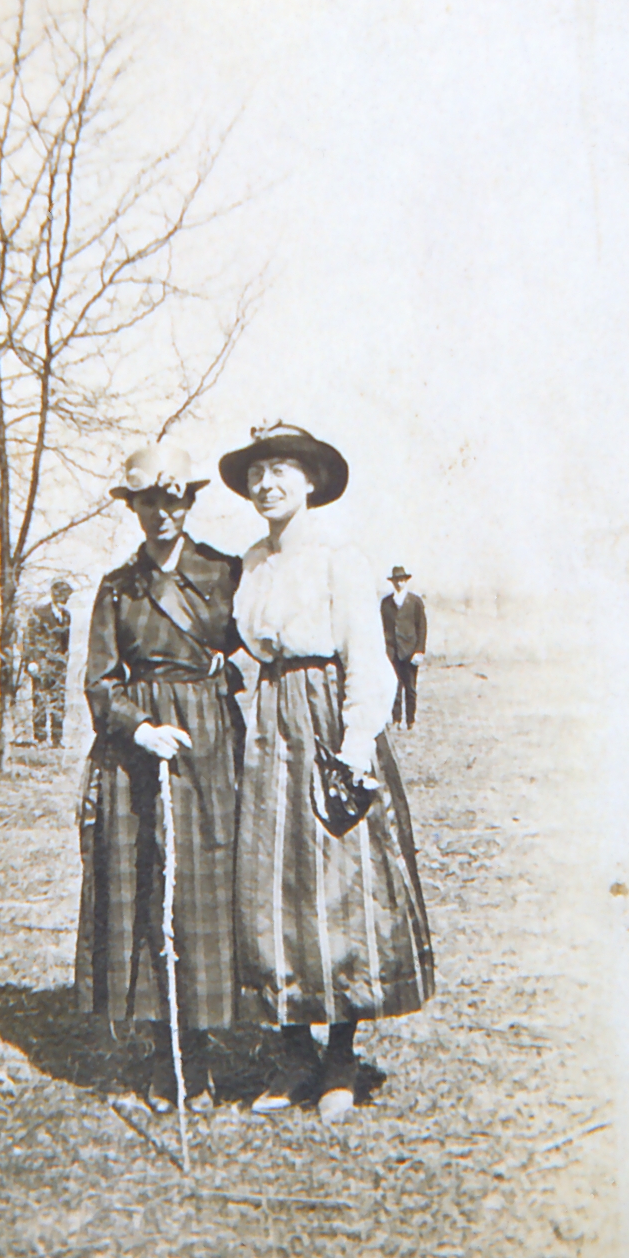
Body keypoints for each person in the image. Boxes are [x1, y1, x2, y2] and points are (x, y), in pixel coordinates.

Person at [218, 423, 434, 1124]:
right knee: (269, 886)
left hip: (325, 722)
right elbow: (242, 642)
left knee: (338, 888)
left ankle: (340, 1058)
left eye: (281, 470)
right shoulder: (250, 562)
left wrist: (353, 746)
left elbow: (365, 660)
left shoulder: (340, 558)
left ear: (310, 481)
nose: (266, 484)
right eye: (256, 474)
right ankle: (293, 1055)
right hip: (270, 724)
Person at [74, 442, 244, 1113]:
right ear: (133, 507)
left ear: (191, 502)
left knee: (202, 888)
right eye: (148, 501)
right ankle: (159, 1048)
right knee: (144, 885)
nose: (161, 514)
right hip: (140, 751)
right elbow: (98, 681)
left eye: (173, 499)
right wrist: (138, 728)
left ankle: (198, 1054)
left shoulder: (225, 572)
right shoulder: (118, 587)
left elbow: (265, 642)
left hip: (209, 743)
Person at [23, 579, 73, 745]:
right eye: (61, 595)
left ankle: (57, 739)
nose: (64, 599)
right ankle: (41, 738)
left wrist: (65, 660)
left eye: (66, 596)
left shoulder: (66, 616)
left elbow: (65, 642)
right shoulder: (39, 613)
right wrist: (31, 661)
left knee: (59, 701)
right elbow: (29, 638)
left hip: (58, 666)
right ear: (54, 595)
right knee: (40, 700)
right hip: (42, 663)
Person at [381, 565, 427, 729]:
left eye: (402, 580)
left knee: (410, 688)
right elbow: (383, 628)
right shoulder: (386, 603)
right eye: (396, 580)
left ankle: (410, 720)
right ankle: (396, 719)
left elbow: (421, 627)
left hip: (410, 651)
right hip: (392, 652)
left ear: (406, 581)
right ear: (392, 582)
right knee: (395, 686)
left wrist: (419, 651)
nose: (399, 583)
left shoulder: (415, 602)